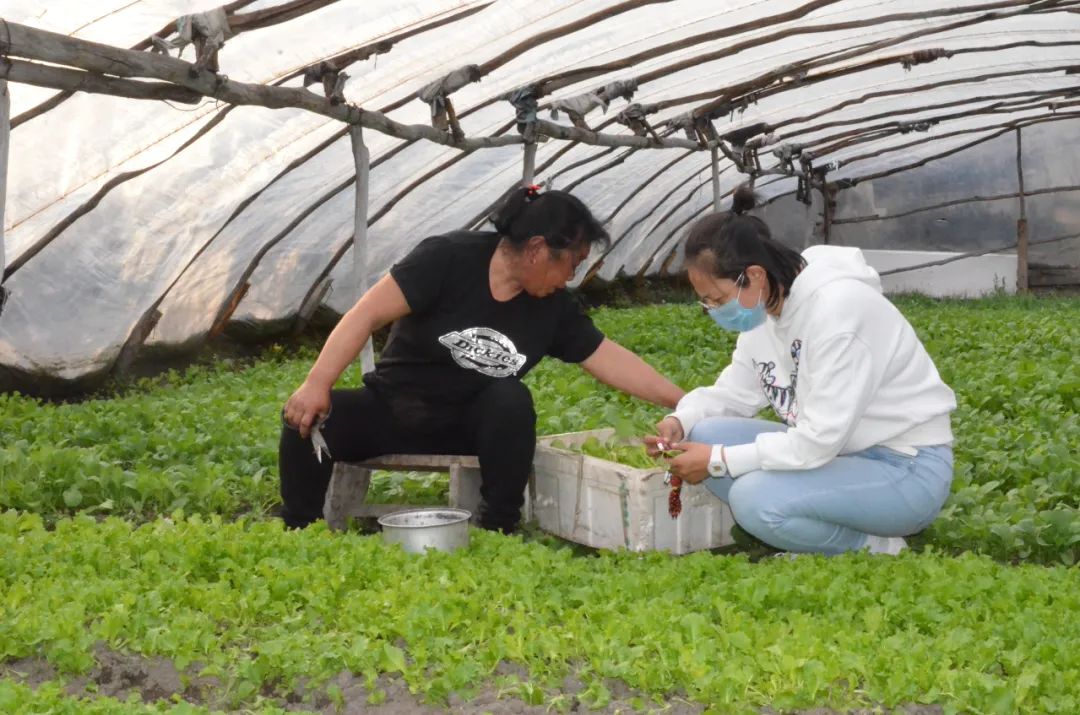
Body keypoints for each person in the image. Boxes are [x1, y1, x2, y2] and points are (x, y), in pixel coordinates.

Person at [281, 186, 684, 532]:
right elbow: (365, 314)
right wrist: (317, 383)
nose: (569, 279)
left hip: (472, 427)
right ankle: (302, 530)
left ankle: (498, 527)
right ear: (538, 250)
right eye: (571, 265)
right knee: (308, 417)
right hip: (394, 409)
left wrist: (683, 403)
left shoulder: (553, 308)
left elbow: (607, 357)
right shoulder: (446, 258)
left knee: (510, 400)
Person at [646, 186, 956, 555]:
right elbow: (734, 393)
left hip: (905, 469)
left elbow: (817, 441)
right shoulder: (764, 310)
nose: (713, 311)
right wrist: (681, 420)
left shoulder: (837, 313)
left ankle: (876, 547)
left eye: (717, 299)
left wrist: (717, 460)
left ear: (755, 276)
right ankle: (816, 517)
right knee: (704, 430)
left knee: (753, 498)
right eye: (706, 303)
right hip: (839, 455)